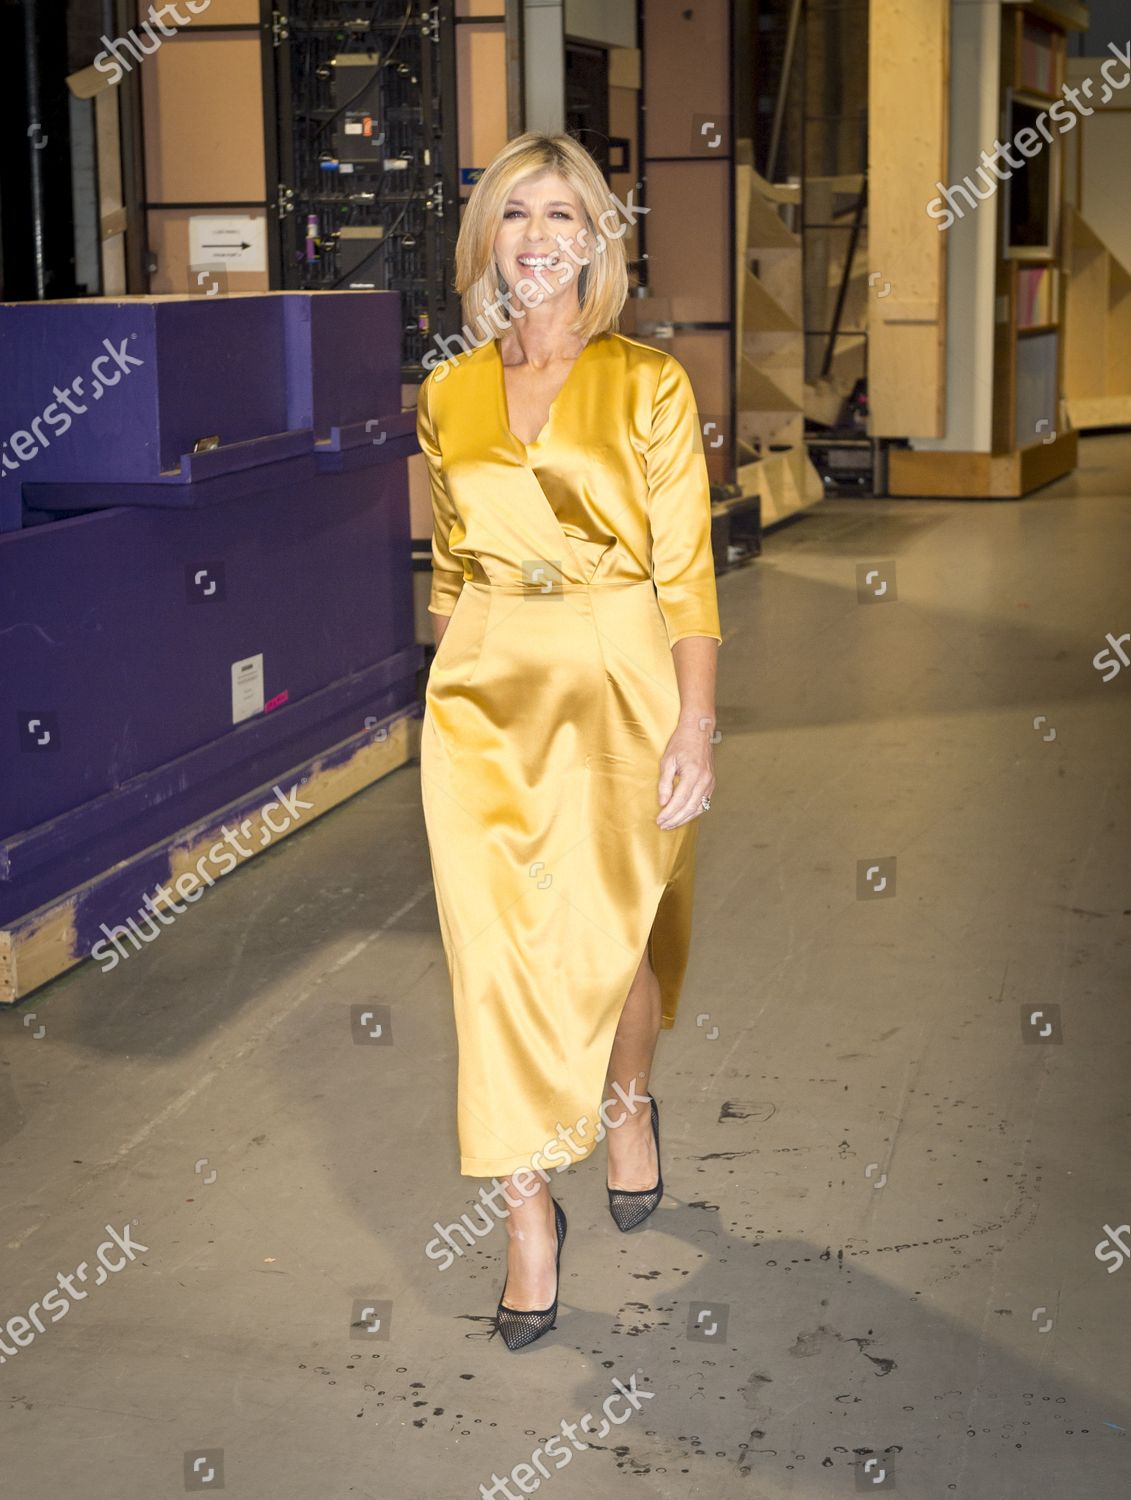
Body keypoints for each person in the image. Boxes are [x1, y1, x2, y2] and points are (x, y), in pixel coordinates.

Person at [416, 131, 722, 1350]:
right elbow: (448, 574)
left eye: (563, 214)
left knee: (612, 946)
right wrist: (447, 690)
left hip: (619, 679)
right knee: (491, 965)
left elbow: (687, 578)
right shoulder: (446, 392)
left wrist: (696, 721)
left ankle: (628, 1100)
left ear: (597, 238)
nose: (537, 236)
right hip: (485, 691)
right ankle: (528, 1216)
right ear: (486, 237)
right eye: (514, 213)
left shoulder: (647, 383)